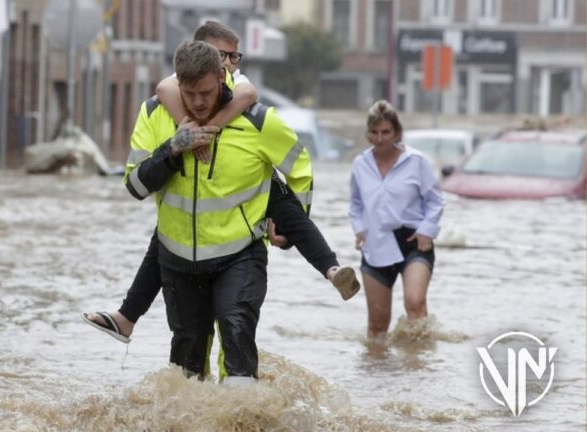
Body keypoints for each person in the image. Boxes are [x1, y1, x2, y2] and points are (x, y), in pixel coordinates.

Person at [83, 22, 358, 347]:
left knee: (288, 211)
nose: (231, 62)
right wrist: (181, 138)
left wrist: (208, 129)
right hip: (185, 240)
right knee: (163, 246)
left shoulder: (243, 96)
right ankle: (128, 315)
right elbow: (165, 90)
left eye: (234, 56)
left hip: (248, 203)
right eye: (223, 54)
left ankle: (330, 267)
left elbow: (247, 96)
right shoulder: (170, 95)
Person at [118, 40, 324, 383]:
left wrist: (291, 222)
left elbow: (300, 167)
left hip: (239, 253)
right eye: (190, 93)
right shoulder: (155, 113)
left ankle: (241, 412)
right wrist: (173, 150)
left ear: (222, 77)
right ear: (177, 84)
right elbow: (136, 186)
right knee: (186, 361)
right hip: (179, 259)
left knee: (237, 329)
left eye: (206, 93)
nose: (199, 102)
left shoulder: (256, 120)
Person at [349, 100, 444, 340]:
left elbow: (435, 200)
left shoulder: (416, 161)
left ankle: (419, 367)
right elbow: (356, 204)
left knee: (415, 302)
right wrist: (359, 229)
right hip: (376, 245)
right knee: (378, 325)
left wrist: (426, 231)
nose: (380, 138)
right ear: (368, 134)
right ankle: (379, 374)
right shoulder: (360, 164)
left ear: (397, 132)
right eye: (374, 132)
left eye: (386, 132)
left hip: (413, 241)